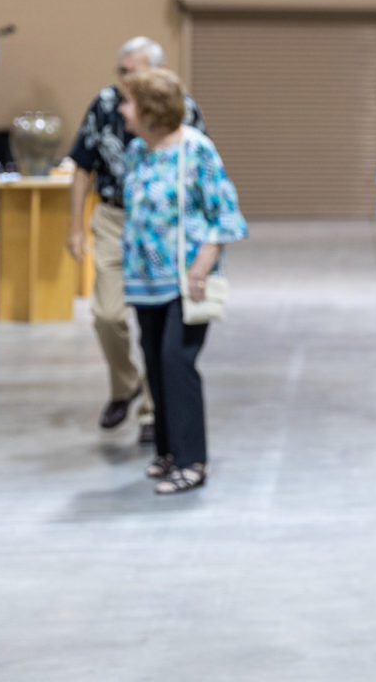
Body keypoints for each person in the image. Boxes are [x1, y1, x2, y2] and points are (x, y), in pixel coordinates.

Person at [65, 36, 205, 445]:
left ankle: (151, 408)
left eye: (135, 72)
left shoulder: (182, 108)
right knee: (107, 315)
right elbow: (81, 165)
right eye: (122, 72)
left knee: (156, 324)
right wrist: (75, 226)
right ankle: (125, 384)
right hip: (113, 218)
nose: (126, 81)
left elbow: (202, 175)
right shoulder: (106, 106)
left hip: (164, 229)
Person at [118, 67, 246, 494]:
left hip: (186, 280)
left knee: (177, 361)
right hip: (145, 281)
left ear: (151, 110)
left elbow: (225, 214)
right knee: (154, 363)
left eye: (130, 102)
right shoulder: (137, 152)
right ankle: (168, 452)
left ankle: (193, 461)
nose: (123, 110)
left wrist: (202, 266)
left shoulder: (197, 151)